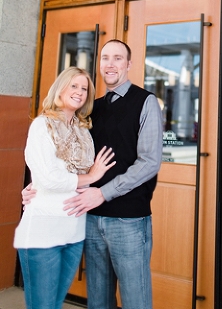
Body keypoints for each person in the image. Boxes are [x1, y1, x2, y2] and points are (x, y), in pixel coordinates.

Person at [23, 39, 163, 309]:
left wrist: (102, 193)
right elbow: (62, 158)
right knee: (98, 301)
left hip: (128, 220)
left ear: (129, 64)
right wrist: (37, 187)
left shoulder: (145, 102)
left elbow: (149, 162)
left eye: (118, 58)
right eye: (105, 58)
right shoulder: (90, 109)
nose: (110, 64)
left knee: (136, 301)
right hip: (89, 217)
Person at [14, 67, 115, 309]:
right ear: (60, 87)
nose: (79, 92)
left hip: (74, 232)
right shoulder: (42, 126)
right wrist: (91, 175)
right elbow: (49, 177)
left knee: (55, 304)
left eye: (84, 89)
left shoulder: (82, 131)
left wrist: (89, 179)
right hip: (43, 232)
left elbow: (66, 178)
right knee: (43, 306)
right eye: (74, 86)